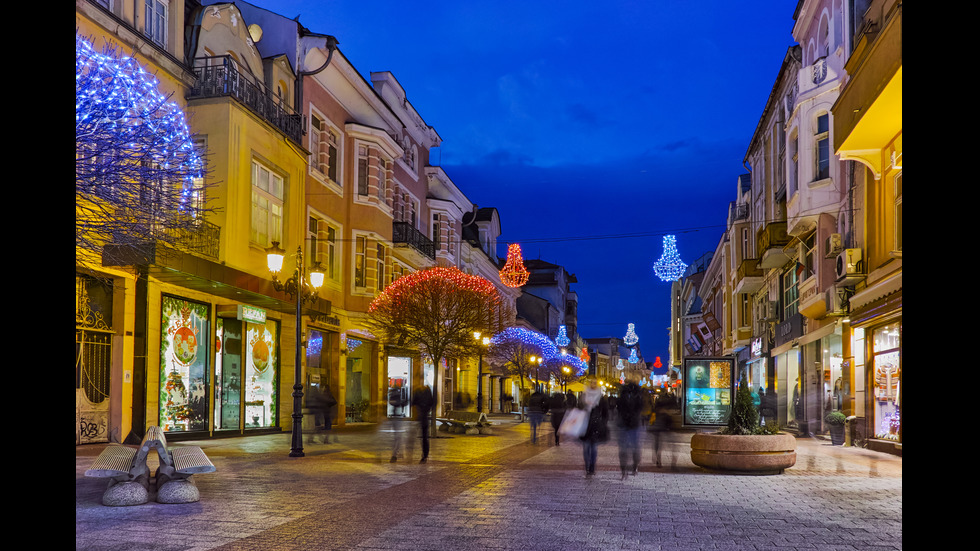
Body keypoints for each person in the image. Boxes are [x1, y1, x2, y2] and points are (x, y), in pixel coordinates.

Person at [579, 379, 609, 477]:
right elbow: (579, 408)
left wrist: (603, 423)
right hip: (585, 424)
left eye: (595, 383)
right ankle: (587, 465)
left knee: (593, 447)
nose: (593, 384)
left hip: (596, 425)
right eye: (591, 382)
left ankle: (592, 466)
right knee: (586, 447)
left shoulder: (601, 398)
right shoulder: (583, 396)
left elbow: (605, 412)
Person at [616, 380, 643, 479]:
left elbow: (639, 408)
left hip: (632, 424)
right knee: (625, 448)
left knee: (633, 447)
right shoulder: (624, 398)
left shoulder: (637, 398)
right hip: (626, 424)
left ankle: (633, 467)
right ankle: (625, 469)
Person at [412, 384, 434, 463]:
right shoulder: (427, 391)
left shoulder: (420, 391)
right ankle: (425, 455)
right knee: (424, 437)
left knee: (423, 436)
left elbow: (413, 402)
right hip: (423, 416)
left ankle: (424, 455)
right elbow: (432, 403)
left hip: (421, 416)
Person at [649, 395, 673, 467]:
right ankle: (658, 459)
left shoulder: (656, 412)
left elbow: (651, 422)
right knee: (659, 445)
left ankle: (657, 458)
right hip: (660, 430)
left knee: (658, 445)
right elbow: (669, 422)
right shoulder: (665, 413)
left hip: (658, 430)